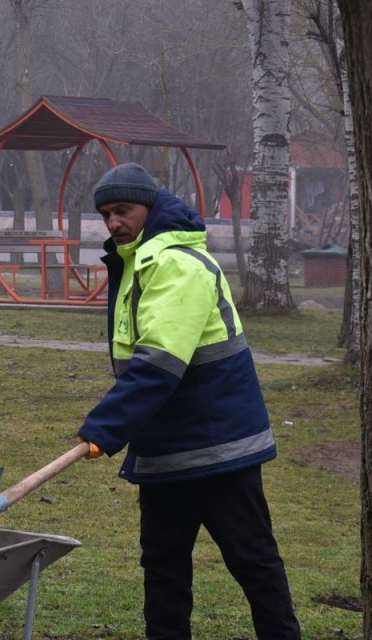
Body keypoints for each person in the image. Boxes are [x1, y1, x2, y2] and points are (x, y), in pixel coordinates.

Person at [76, 163, 301, 640]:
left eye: (123, 210)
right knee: (162, 567)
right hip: (163, 444)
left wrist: (104, 428)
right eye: (106, 214)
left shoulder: (176, 263)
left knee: (252, 561)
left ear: (149, 208)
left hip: (219, 444)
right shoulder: (136, 261)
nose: (114, 222)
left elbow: (157, 364)